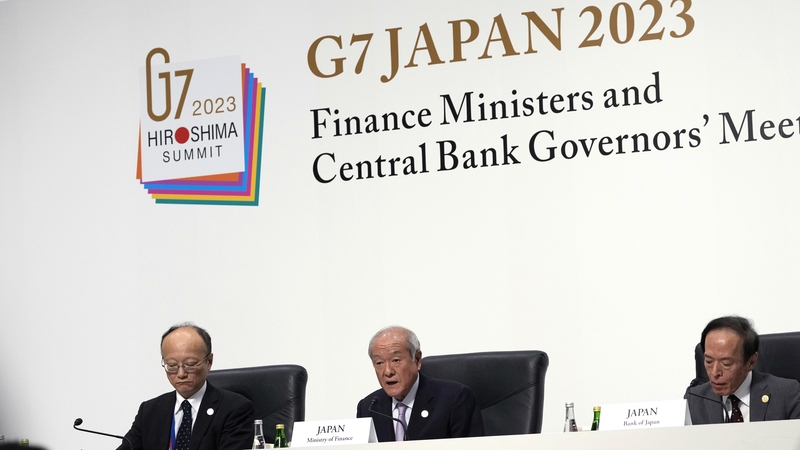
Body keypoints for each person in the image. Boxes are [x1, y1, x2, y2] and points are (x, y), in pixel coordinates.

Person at [118, 323, 254, 450]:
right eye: (172, 366)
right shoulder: (149, 411)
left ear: (209, 362)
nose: (181, 374)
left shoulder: (235, 409)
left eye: (190, 365)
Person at [356, 325, 484, 441]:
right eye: (379, 363)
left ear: (417, 359)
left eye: (396, 360)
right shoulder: (369, 408)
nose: (388, 371)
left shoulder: (455, 399)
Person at [685, 316, 800, 424]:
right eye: (709, 361)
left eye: (726, 363)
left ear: (751, 362)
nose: (715, 372)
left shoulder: (787, 394)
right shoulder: (694, 399)